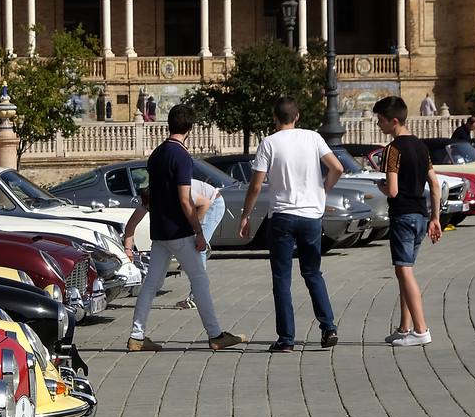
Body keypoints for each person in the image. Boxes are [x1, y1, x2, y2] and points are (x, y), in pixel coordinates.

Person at [123, 104, 245, 353]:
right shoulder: (181, 156)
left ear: (169, 124)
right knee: (199, 279)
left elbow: (151, 195)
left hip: (160, 230)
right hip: (179, 230)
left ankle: (137, 335)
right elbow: (184, 198)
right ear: (190, 128)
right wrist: (198, 232)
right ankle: (215, 334)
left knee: (151, 283)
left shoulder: (156, 155)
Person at [238, 96, 342, 353]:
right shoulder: (313, 138)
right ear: (297, 117)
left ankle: (287, 338)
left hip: (283, 216)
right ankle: (328, 326)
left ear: (275, 119)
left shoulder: (269, 143)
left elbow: (255, 184)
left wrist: (246, 214)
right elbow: (337, 167)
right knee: (313, 273)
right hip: (311, 216)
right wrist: (323, 189)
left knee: (282, 278)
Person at [372, 96, 442, 347]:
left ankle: (421, 330)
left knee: (404, 270)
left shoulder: (393, 149)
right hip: (421, 215)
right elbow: (434, 184)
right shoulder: (421, 147)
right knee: (405, 269)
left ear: (393, 121)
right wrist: (436, 217)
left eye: (380, 120)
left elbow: (392, 190)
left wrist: (380, 186)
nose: (377, 124)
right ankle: (405, 327)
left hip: (403, 215)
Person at [171, 177, 224, 311]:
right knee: (196, 248)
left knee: (198, 249)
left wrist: (196, 232)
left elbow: (205, 203)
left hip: (213, 203)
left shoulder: (179, 188)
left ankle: (197, 297)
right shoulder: (167, 187)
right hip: (204, 203)